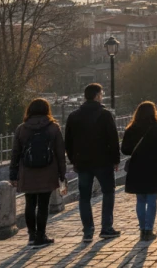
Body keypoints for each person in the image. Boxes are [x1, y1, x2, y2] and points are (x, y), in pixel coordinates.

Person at [64, 83, 121, 242]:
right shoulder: (105, 115)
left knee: (84, 197)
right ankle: (106, 227)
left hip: (82, 162)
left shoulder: (74, 116)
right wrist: (115, 159)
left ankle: (88, 231)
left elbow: (68, 141)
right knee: (108, 192)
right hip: (103, 161)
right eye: (101, 94)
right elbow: (113, 139)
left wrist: (73, 159)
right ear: (97, 96)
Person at [9, 98, 67, 248]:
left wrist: (13, 174)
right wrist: (62, 174)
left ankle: (31, 236)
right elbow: (60, 153)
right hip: (48, 171)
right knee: (43, 204)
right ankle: (41, 235)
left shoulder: (21, 128)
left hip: (27, 171)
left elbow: (15, 153)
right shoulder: (53, 128)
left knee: (30, 203)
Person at [121, 101, 157, 242]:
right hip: (154, 167)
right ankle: (149, 229)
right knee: (152, 199)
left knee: (140, 200)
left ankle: (142, 229)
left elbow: (125, 149)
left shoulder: (131, 129)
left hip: (137, 167)